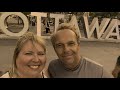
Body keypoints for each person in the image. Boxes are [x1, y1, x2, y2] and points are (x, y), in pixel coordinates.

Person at [48, 23, 113, 78]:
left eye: (71, 44)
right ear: (54, 48)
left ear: (78, 45)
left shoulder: (98, 72)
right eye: (59, 45)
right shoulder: (53, 67)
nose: (66, 50)